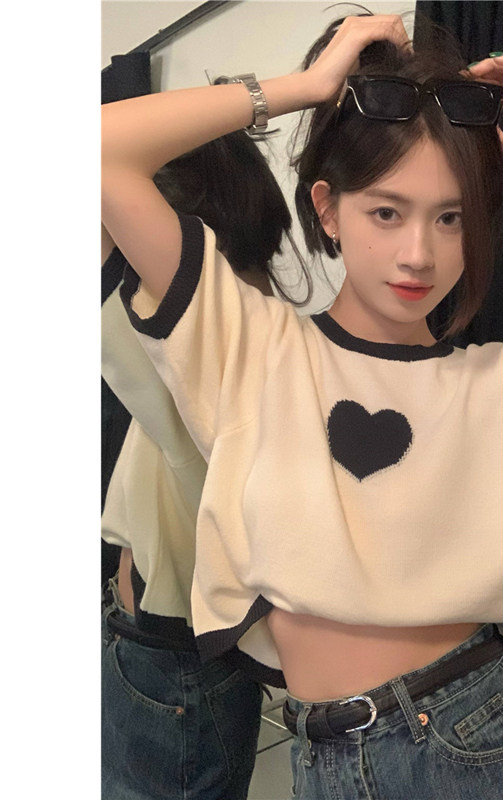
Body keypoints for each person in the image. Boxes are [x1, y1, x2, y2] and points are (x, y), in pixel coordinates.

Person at [100, 12, 503, 800]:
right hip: (326, 759)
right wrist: (304, 88)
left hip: (494, 747)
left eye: (450, 218)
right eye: (387, 212)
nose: (419, 254)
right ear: (327, 208)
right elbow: (97, 149)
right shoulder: (250, 348)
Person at [101, 126, 304, 799]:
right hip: (179, 649)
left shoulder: (187, 335)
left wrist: (276, 95)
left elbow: (99, 152)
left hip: (176, 661)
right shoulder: (253, 327)